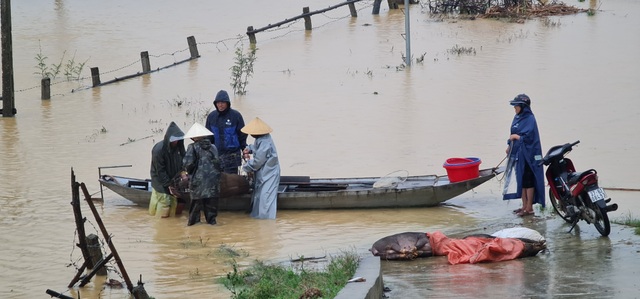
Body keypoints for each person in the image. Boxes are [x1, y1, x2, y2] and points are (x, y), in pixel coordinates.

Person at [503, 94, 545, 217]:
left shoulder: (530, 119)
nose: (514, 107)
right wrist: (509, 146)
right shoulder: (517, 117)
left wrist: (517, 137)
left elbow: (529, 138)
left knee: (528, 181)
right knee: (520, 180)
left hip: (529, 155)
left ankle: (529, 207)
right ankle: (523, 205)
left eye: (516, 105)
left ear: (522, 106)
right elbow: (513, 133)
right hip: (517, 154)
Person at [182, 123, 223, 225]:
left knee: (195, 213)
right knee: (211, 214)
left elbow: (188, 164)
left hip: (198, 183)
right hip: (213, 183)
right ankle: (212, 226)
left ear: (194, 137)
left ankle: (194, 230)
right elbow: (218, 164)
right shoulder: (213, 147)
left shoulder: (192, 147)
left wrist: (187, 173)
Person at [241, 117, 280, 219]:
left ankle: (266, 224)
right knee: (259, 198)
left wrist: (246, 166)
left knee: (266, 200)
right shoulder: (261, 139)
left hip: (269, 174)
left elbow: (258, 161)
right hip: (263, 174)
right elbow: (257, 150)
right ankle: (257, 221)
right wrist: (249, 149)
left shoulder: (265, 142)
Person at [205, 90, 248, 174]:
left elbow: (242, 135)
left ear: (227, 103)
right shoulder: (211, 117)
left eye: (222, 103)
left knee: (231, 183)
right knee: (218, 182)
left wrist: (244, 150)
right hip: (217, 156)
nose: (220, 105)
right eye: (218, 103)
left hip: (233, 156)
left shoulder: (236, 116)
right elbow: (208, 137)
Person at [149, 121, 185, 218]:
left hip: (174, 178)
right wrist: (168, 184)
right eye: (173, 140)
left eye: (178, 140)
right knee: (164, 201)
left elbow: (183, 161)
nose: (175, 142)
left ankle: (170, 223)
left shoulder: (179, 147)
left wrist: (183, 172)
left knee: (174, 202)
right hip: (159, 180)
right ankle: (160, 223)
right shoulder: (159, 150)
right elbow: (160, 170)